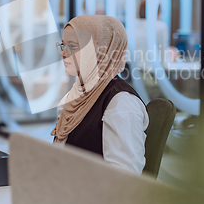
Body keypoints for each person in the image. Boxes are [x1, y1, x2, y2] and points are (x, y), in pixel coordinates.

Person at [51, 15, 149, 175]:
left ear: (100, 49)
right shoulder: (79, 92)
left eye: (72, 46)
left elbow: (124, 177)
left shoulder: (120, 103)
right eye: (63, 45)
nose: (63, 53)